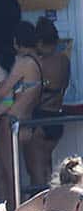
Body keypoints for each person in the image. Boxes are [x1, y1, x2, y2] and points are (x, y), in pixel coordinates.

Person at [0, 21, 46, 208]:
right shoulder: (38, 61)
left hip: (13, 122)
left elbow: (2, 91)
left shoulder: (22, 63)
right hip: (30, 121)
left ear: (16, 42)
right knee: (35, 173)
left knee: (9, 173)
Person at [27, 18, 71, 192]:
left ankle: (40, 208)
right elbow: (64, 86)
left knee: (35, 168)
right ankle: (51, 201)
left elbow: (34, 91)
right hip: (57, 116)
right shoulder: (64, 60)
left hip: (40, 118)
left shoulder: (40, 62)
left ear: (39, 41)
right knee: (47, 164)